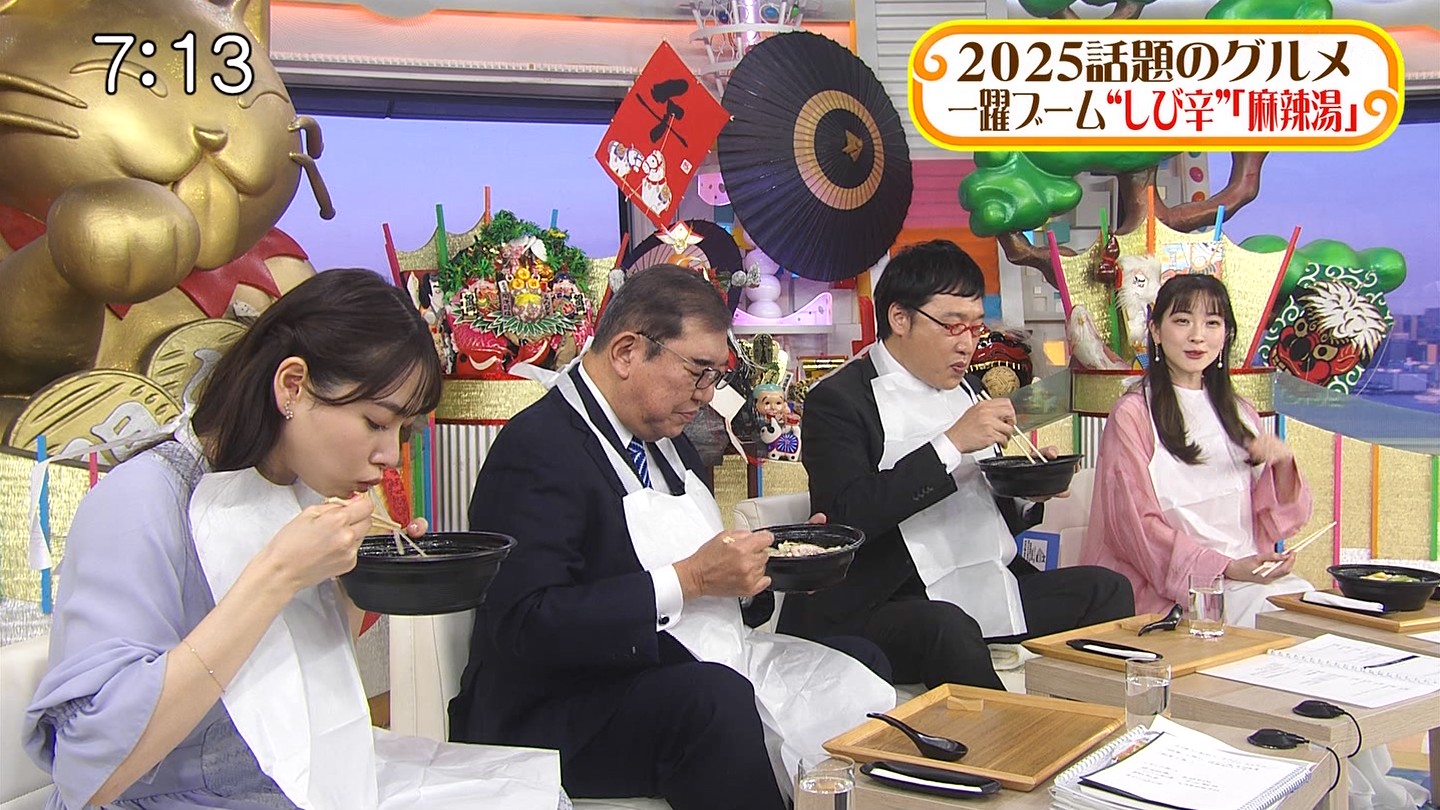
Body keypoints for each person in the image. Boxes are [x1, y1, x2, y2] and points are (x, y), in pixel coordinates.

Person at [25, 269, 563, 810]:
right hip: (170, 796)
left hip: (293, 776)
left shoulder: (298, 488)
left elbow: (292, 687)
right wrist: (278, 575)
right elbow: (88, 769)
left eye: (403, 432)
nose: (388, 456)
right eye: (376, 423)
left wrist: (363, 580)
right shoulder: (141, 499)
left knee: (538, 796)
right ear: (293, 385)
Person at [449, 265, 896, 810]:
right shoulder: (539, 447)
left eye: (715, 377)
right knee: (714, 701)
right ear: (627, 352)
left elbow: (705, 577)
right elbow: (526, 623)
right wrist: (688, 581)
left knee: (859, 661)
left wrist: (765, 569)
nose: (706, 396)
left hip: (665, 661)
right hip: (560, 702)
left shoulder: (667, 437)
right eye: (698, 372)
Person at [778, 240, 1135, 690]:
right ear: (900, 318)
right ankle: (1013, 735)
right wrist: (950, 444)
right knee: (948, 627)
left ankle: (1097, 722)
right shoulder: (839, 399)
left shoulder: (968, 389)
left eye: (975, 327)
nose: (968, 344)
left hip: (978, 579)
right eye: (952, 326)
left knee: (1107, 590)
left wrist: (1027, 492)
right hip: (882, 597)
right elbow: (845, 519)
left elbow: (982, 517)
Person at [1081, 273, 1313, 626]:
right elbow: (1134, 528)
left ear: (1226, 334)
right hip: (1171, 591)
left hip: (1246, 575)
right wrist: (1224, 568)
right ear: (1156, 331)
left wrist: (1282, 465)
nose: (1197, 336)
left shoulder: (1241, 412)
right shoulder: (1133, 414)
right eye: (1182, 321)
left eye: (1212, 323)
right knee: (1278, 619)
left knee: (1311, 607)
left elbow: (1278, 521)